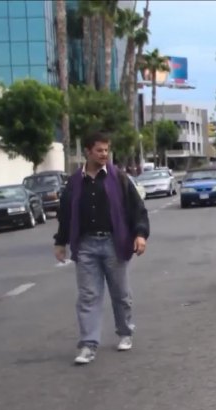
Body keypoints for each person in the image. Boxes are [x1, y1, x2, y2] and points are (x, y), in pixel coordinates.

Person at [53, 131, 150, 365]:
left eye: (107, 150)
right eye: (99, 150)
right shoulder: (75, 182)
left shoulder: (119, 178)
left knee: (121, 294)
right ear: (88, 152)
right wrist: (60, 241)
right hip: (86, 245)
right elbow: (66, 213)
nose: (104, 154)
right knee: (88, 296)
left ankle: (125, 332)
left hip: (114, 243)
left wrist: (140, 235)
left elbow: (137, 209)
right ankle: (88, 345)